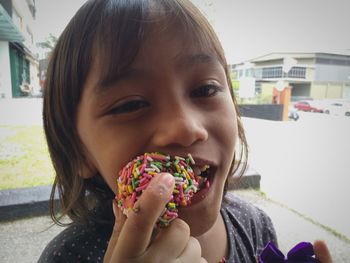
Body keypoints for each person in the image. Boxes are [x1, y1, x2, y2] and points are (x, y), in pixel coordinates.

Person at [38, 0, 332, 262]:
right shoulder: (68, 257)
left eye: (205, 89)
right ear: (78, 152)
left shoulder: (255, 227)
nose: (186, 127)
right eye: (130, 105)